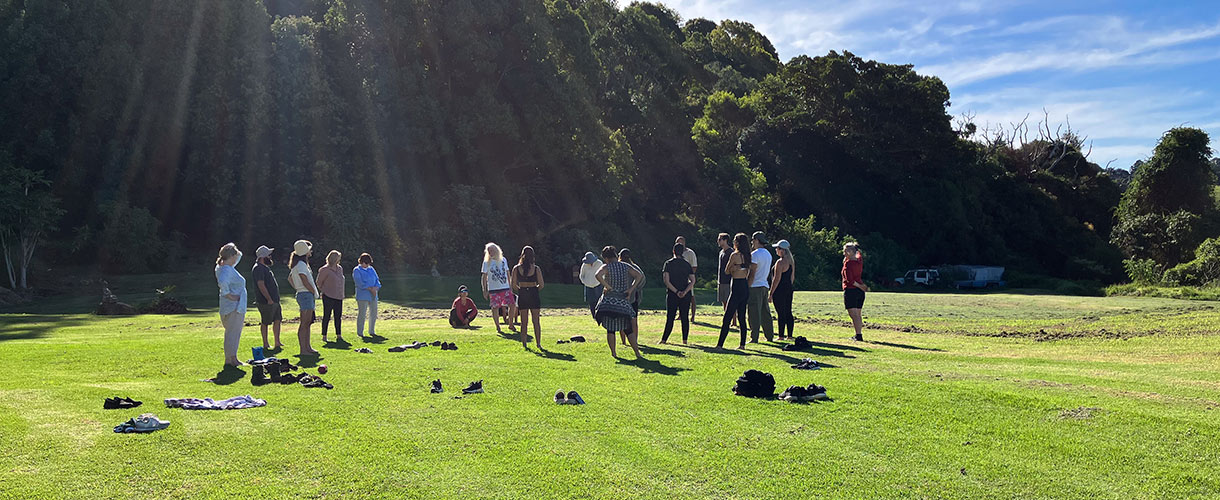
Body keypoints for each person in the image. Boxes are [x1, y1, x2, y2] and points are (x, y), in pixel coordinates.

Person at [594, 245, 644, 358]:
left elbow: (597, 275)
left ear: (606, 258)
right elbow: (639, 275)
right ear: (616, 255)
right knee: (628, 329)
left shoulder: (607, 267)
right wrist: (631, 289)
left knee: (610, 329)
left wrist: (607, 286)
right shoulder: (625, 266)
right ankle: (637, 353)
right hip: (623, 300)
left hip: (609, 301)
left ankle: (614, 353)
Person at [716, 234, 752, 350]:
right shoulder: (748, 256)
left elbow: (726, 270)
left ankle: (720, 345)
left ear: (737, 243)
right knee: (742, 316)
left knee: (727, 317)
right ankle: (742, 345)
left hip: (736, 286)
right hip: (745, 286)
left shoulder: (734, 255)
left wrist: (733, 268)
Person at [215, 243, 247, 367]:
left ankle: (232, 358)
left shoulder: (222, 267)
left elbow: (238, 256)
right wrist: (230, 295)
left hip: (230, 306)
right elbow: (223, 282)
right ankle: (230, 359)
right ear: (232, 255)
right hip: (233, 306)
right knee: (233, 333)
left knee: (232, 332)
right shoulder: (226, 269)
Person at [287, 240, 319, 356]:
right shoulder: (300, 265)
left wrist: (297, 288)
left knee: (307, 323)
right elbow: (304, 279)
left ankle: (308, 347)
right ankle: (303, 350)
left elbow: (290, 278)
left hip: (304, 294)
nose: (310, 251)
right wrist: (312, 290)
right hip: (305, 294)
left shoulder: (299, 264)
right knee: (304, 323)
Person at [510, 246, 544, 350]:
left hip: (523, 293)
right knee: (536, 321)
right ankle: (538, 344)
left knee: (524, 321)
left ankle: (524, 343)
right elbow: (541, 284)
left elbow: (513, 285)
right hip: (533, 293)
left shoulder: (516, 268)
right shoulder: (536, 269)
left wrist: (521, 289)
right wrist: (534, 289)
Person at [661, 243, 695, 345]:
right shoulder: (687, 264)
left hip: (672, 294)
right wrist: (685, 291)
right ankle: (685, 340)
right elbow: (692, 280)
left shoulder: (668, 264)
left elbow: (666, 281)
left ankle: (664, 339)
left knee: (670, 317)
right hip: (685, 294)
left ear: (673, 251)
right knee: (684, 317)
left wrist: (676, 291)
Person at [251, 245, 283, 351]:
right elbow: (261, 284)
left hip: (274, 300)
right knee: (265, 321)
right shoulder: (258, 268)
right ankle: (265, 343)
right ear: (263, 256)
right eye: (268, 255)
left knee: (277, 319)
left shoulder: (265, 268)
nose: (270, 257)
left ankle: (277, 342)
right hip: (265, 301)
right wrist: (268, 298)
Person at [480, 243, 517, 334]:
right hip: (493, 289)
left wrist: (510, 286)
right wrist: (484, 290)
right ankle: (498, 326)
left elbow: (508, 273)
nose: (490, 253)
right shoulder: (486, 263)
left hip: (505, 288)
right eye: (489, 251)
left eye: (492, 250)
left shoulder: (503, 260)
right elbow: (484, 277)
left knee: (512, 305)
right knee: (495, 308)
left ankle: (511, 324)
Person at [746, 231, 775, 343]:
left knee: (753, 313)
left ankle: (754, 337)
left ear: (757, 240)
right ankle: (769, 335)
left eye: (753, 240)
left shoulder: (755, 254)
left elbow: (752, 272)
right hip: (764, 285)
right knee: (765, 312)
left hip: (755, 286)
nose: (752, 243)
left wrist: (747, 286)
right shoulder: (768, 254)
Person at [315, 250, 345, 344]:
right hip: (328, 295)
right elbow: (319, 282)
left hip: (339, 296)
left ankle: (338, 335)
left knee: (338, 316)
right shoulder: (325, 269)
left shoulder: (339, 268)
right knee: (327, 315)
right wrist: (324, 290)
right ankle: (324, 335)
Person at [770, 239, 796, 340]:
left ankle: (781, 335)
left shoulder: (780, 263)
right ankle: (789, 335)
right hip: (788, 289)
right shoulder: (791, 262)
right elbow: (792, 278)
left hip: (779, 290)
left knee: (781, 313)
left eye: (778, 248)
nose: (776, 250)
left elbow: (776, 279)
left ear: (783, 250)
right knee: (788, 312)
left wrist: (771, 292)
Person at [618, 248, 645, 345]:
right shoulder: (635, 267)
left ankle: (624, 341)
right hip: (634, 297)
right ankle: (635, 340)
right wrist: (635, 288)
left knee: (622, 319)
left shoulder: (619, 267)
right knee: (633, 320)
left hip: (621, 296)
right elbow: (642, 279)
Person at [842, 242, 869, 341]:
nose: (843, 253)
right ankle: (859, 334)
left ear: (849, 252)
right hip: (859, 292)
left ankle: (858, 335)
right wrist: (862, 287)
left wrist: (861, 286)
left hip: (851, 290)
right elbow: (858, 253)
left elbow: (850, 280)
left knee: (853, 315)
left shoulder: (848, 265)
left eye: (845, 251)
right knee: (858, 314)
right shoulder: (859, 261)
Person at [352, 252, 381, 339]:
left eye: (368, 263)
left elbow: (377, 280)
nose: (367, 265)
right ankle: (360, 332)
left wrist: (376, 288)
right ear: (362, 262)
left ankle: (372, 331)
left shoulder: (371, 269)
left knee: (374, 312)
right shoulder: (357, 270)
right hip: (362, 295)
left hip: (373, 295)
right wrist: (370, 289)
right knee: (362, 313)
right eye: (366, 263)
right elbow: (359, 283)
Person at [675, 236, 698, 323]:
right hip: (679, 279)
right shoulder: (676, 252)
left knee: (691, 297)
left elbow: (694, 266)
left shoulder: (690, 253)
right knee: (679, 296)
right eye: (677, 242)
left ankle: (693, 316)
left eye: (680, 242)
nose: (679, 244)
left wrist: (690, 276)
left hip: (688, 278)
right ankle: (681, 315)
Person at [716, 233, 735, 327]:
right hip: (721, 280)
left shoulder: (731, 252)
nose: (718, 241)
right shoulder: (721, 252)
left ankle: (734, 321)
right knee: (723, 300)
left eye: (720, 239)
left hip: (728, 281)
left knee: (730, 301)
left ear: (725, 240)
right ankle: (727, 319)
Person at [578, 251, 603, 318]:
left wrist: (600, 282)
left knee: (599, 301)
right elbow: (581, 275)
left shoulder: (599, 263)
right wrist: (585, 282)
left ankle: (599, 315)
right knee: (591, 302)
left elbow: (602, 274)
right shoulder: (584, 265)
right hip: (588, 286)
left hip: (598, 285)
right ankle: (594, 316)